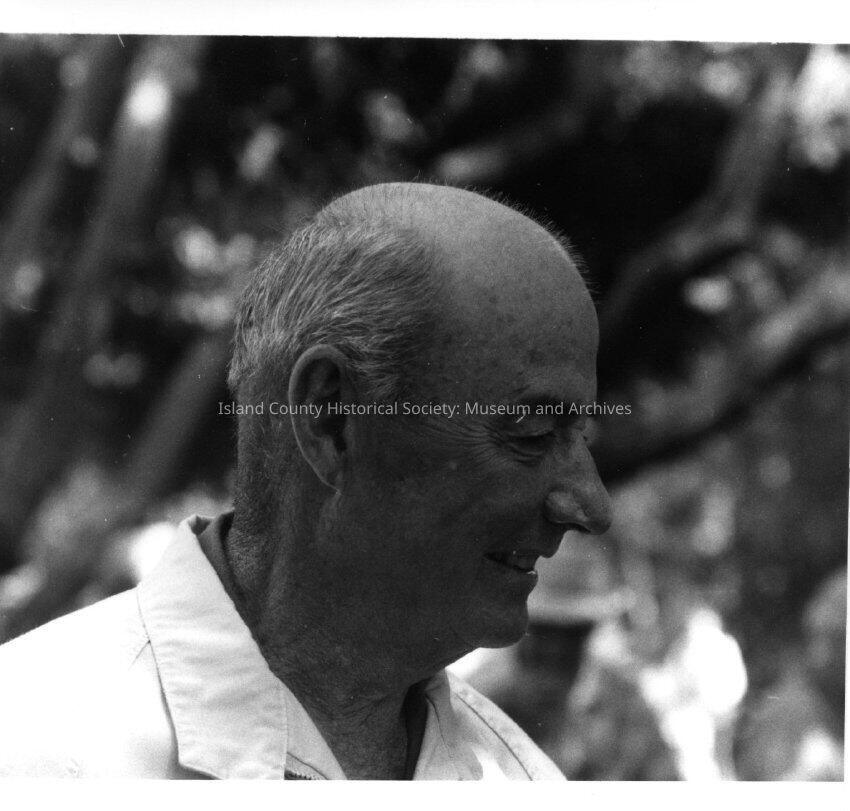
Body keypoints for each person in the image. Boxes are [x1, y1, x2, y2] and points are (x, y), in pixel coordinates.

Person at [0, 182, 613, 779]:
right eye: (532, 432)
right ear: (331, 419)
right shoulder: (39, 754)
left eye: (581, 438)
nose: (590, 504)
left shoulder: (523, 781)